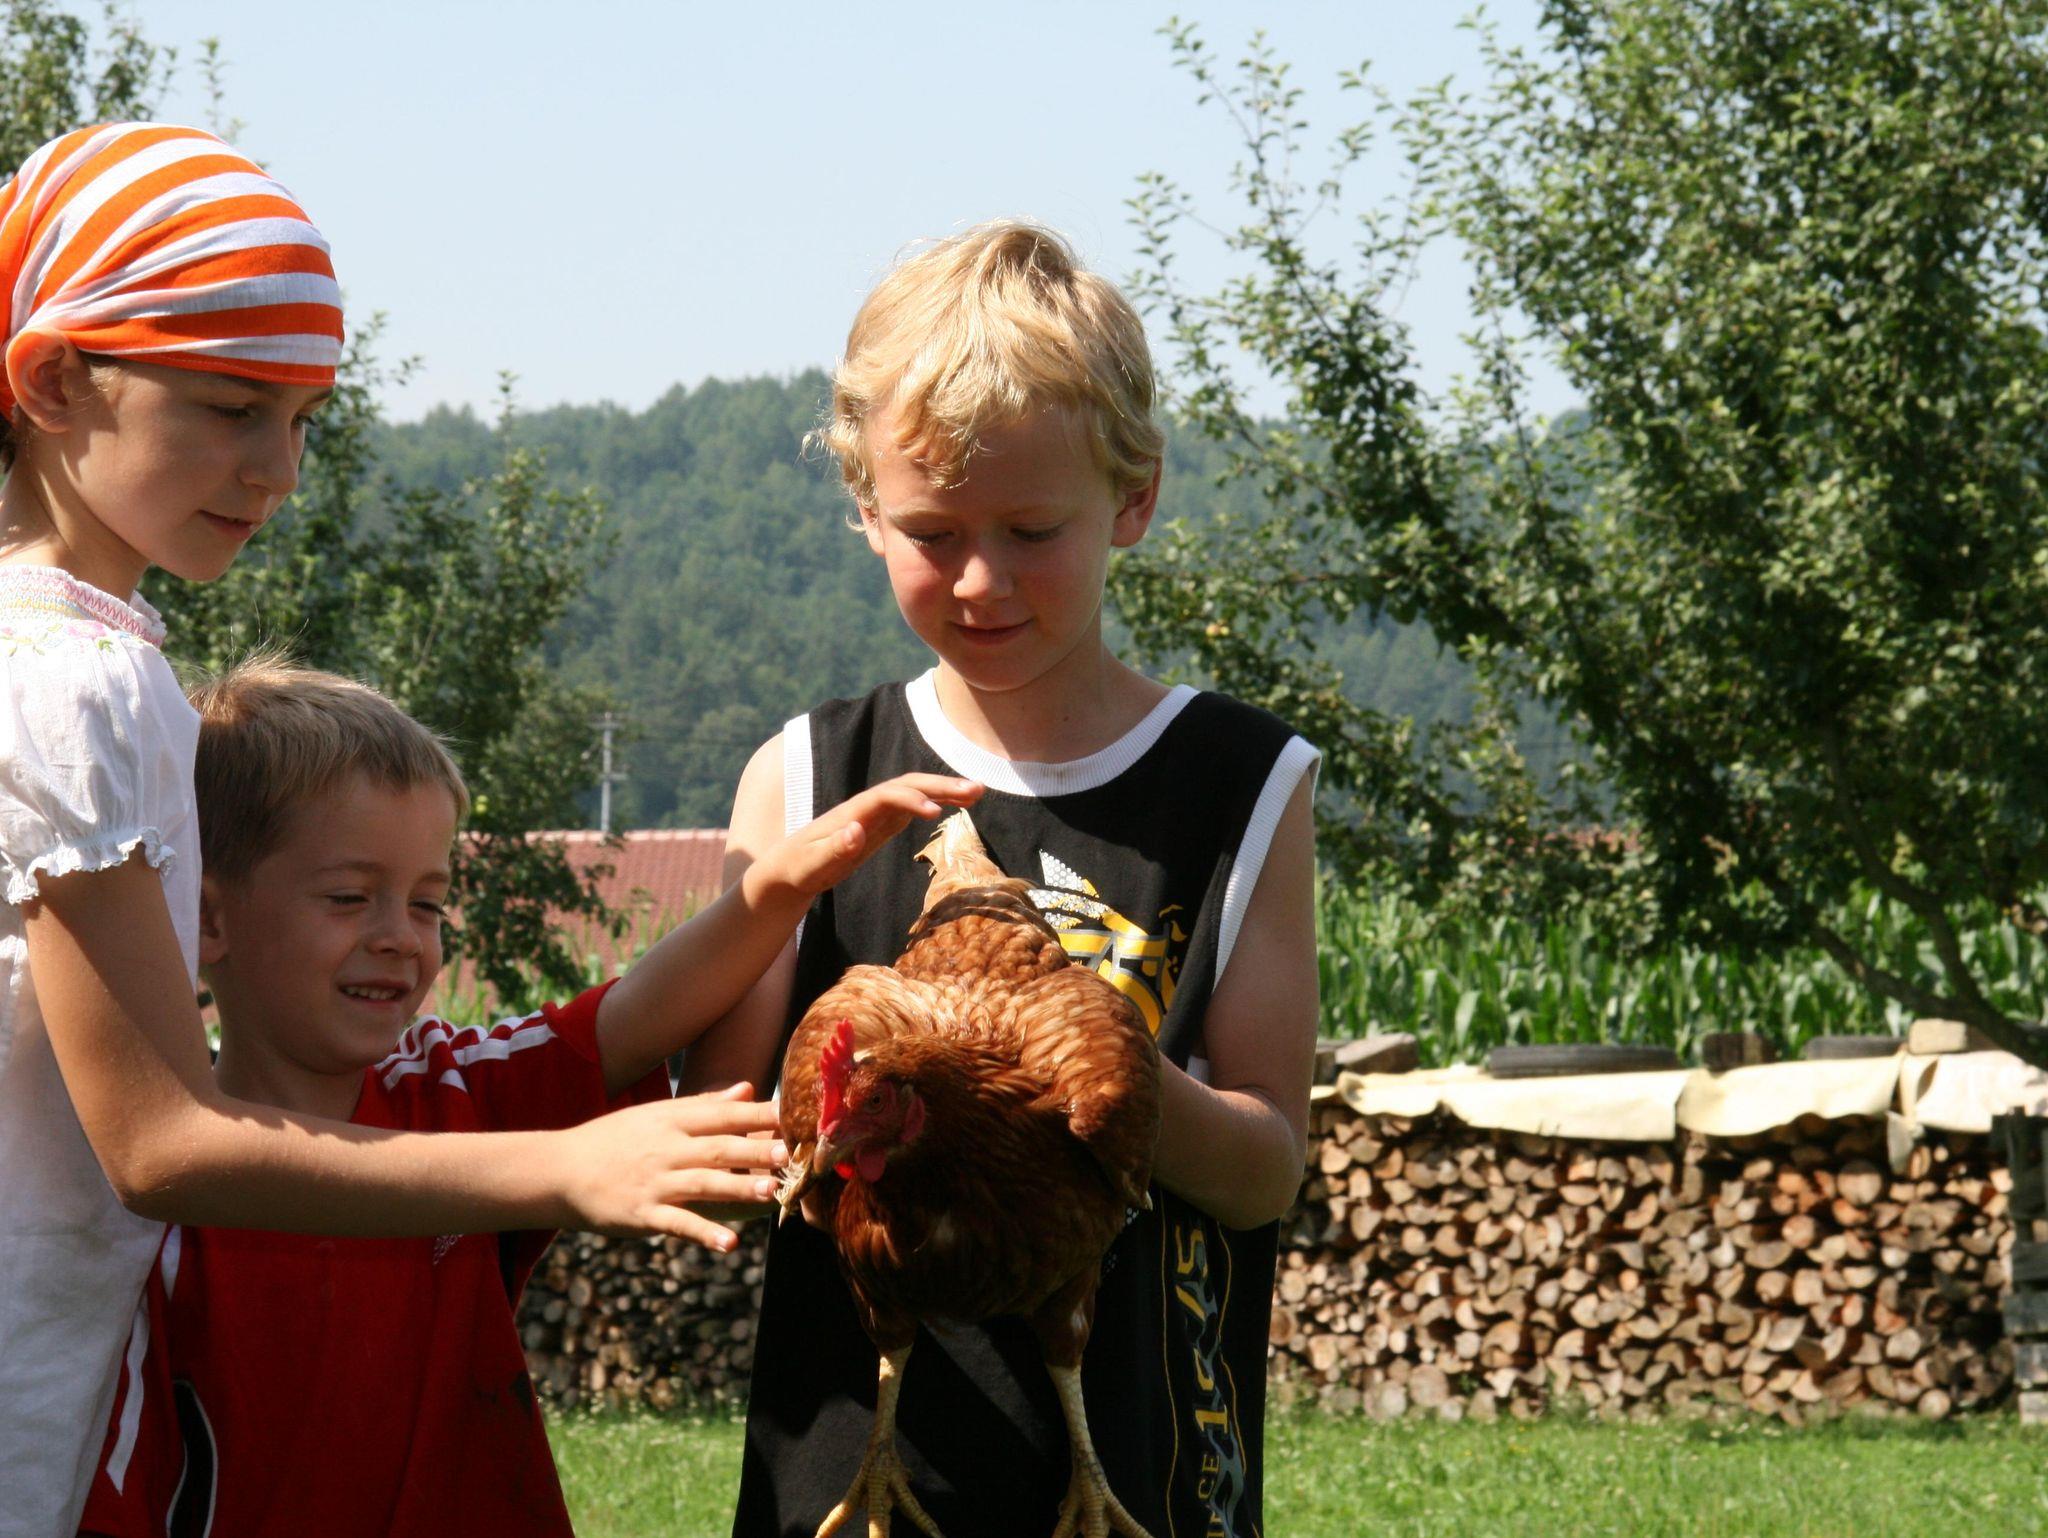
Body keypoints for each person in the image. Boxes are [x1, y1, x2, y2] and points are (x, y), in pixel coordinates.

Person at [4, 121, 755, 1533]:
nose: (277, 468)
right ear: (50, 378)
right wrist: (560, 1164)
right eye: (233, 406)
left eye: (303, 419)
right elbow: (159, 1141)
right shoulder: (73, 682)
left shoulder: (88, 661)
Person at [682, 221, 1321, 1538]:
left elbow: (1264, 1169)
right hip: (848, 1488)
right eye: (932, 530)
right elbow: (722, 1134)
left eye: (1032, 528)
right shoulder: (805, 777)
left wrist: (1101, 1066)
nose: (981, 579)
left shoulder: (1240, 781)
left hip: (1143, 1474)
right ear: (865, 509)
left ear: (1133, 500)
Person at [75, 657, 979, 1535]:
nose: (400, 937)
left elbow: (634, 1016)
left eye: (428, 904)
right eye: (350, 897)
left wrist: (780, 887)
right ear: (206, 918)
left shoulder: (458, 1085)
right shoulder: (154, 1204)